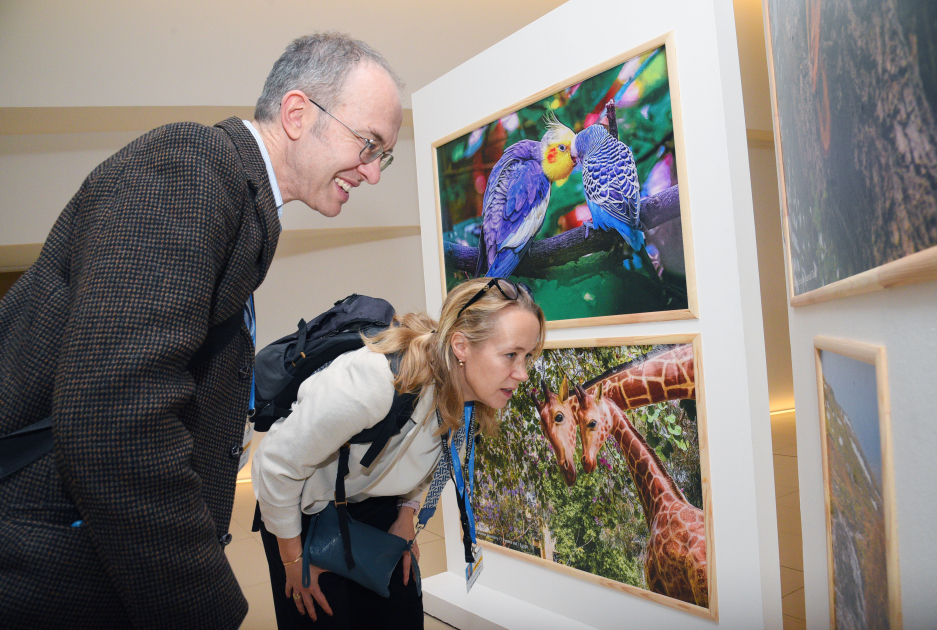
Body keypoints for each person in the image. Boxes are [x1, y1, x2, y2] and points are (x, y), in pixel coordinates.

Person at [0, 32, 403, 630]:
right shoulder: (191, 167)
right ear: (297, 114)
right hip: (54, 569)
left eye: (383, 156)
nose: (372, 173)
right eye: (368, 144)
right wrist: (202, 604)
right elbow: (114, 417)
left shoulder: (233, 196)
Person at [252, 277, 545, 630]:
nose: (523, 373)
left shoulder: (472, 401)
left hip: (373, 500)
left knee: (401, 614)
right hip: (303, 509)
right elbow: (275, 465)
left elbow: (434, 463)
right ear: (461, 346)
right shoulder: (377, 381)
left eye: (528, 356)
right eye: (511, 354)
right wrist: (293, 560)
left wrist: (406, 516)